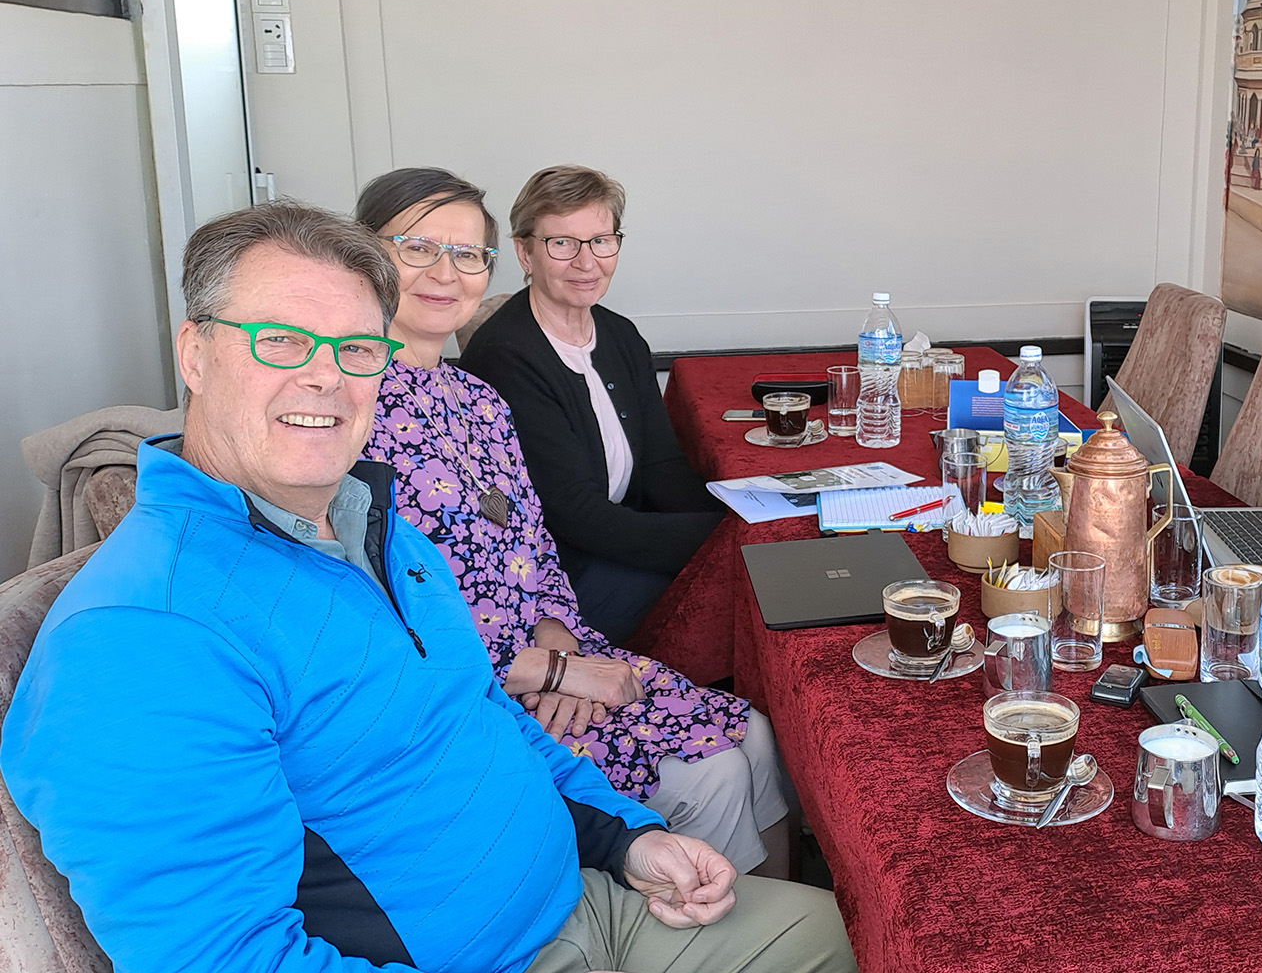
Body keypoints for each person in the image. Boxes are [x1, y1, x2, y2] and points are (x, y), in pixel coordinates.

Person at [0, 202, 854, 973]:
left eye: (356, 349)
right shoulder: (142, 637)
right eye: (282, 340)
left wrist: (626, 838)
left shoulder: (377, 525)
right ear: (195, 352)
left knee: (843, 931)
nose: (325, 376)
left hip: (588, 899)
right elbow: (224, 959)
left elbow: (485, 717)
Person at [353, 168, 790, 875]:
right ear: (363, 257)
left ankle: (778, 921)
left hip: (552, 648)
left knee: (760, 735)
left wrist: (562, 641)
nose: (445, 272)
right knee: (712, 774)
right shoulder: (345, 410)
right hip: (473, 697)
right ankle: (713, 927)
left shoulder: (476, 399)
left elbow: (536, 544)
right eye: (417, 248)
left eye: (466, 254)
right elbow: (376, 621)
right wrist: (550, 671)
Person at [461, 165, 724, 643]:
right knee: (734, 596)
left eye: (601, 240)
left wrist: (729, 521)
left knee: (757, 571)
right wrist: (721, 541)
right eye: (562, 243)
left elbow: (662, 464)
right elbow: (576, 515)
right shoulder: (506, 356)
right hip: (562, 578)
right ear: (525, 251)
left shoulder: (620, 334)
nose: (587, 262)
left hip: (623, 538)